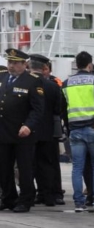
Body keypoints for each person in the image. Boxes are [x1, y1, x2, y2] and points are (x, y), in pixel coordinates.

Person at [61, 51, 94, 211]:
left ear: (76, 64)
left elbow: (63, 109)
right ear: (89, 65)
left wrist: (69, 128)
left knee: (77, 167)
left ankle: (78, 202)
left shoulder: (66, 83)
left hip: (75, 130)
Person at [0, 48, 45, 213]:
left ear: (24, 64)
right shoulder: (3, 77)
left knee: (25, 168)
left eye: (15, 63)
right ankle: (8, 198)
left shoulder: (32, 81)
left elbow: (38, 109)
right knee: (4, 167)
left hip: (22, 132)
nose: (11, 66)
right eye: (9, 62)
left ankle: (25, 200)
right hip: (3, 131)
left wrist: (29, 125)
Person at [28, 54, 62, 207]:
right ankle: (49, 196)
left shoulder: (26, 83)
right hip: (48, 130)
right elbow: (59, 108)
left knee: (31, 164)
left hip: (29, 129)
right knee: (47, 164)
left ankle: (36, 194)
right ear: (44, 68)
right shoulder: (53, 86)